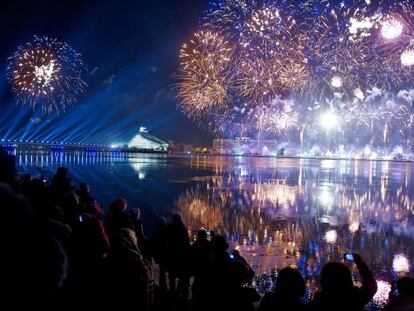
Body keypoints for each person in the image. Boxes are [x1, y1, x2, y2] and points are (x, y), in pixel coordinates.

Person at [192, 235, 259, 311]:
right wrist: (240, 258)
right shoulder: (236, 264)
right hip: (234, 302)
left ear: (211, 248)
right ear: (226, 247)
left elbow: (196, 288)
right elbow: (250, 274)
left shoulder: (205, 266)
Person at [311, 253, 377, 311]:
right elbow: (371, 285)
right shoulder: (355, 299)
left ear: (323, 280)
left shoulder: (318, 300)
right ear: (348, 278)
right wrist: (359, 263)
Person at [165, 213, 191, 299]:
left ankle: (172, 292)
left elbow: (167, 241)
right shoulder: (183, 228)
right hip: (181, 255)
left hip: (172, 255)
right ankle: (179, 291)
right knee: (182, 275)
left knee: (171, 275)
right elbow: (186, 243)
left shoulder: (169, 228)